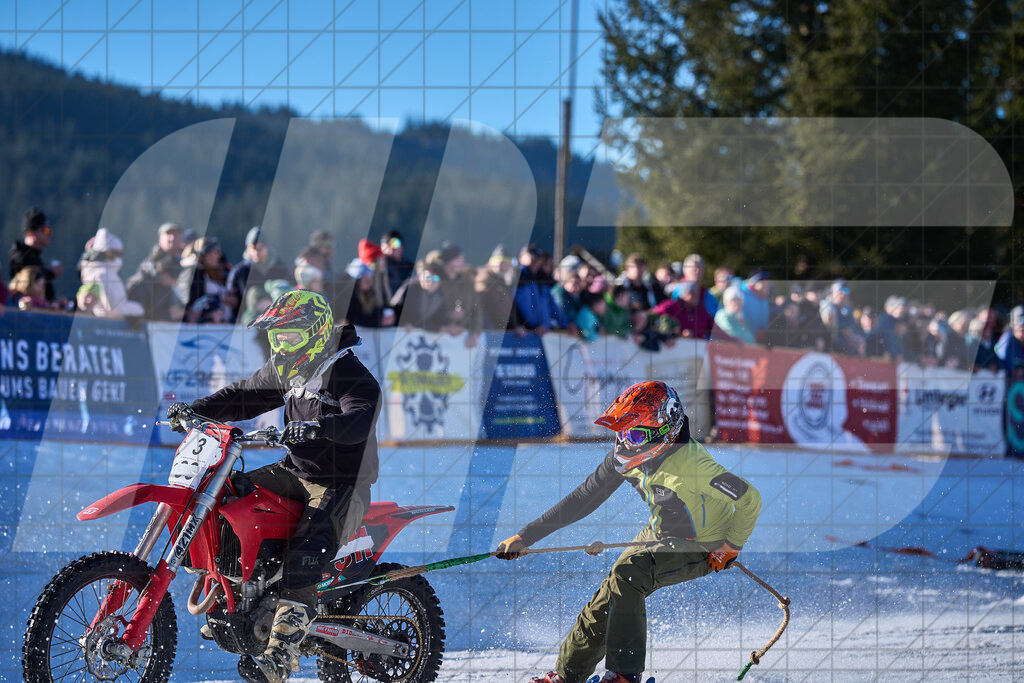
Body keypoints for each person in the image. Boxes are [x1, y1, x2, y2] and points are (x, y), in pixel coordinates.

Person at [167, 290, 381, 683]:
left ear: (315, 333)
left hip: (342, 485)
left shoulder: (348, 373)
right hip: (294, 471)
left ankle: (280, 656)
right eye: (276, 336)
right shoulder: (286, 368)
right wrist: (196, 410)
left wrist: (317, 428)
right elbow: (244, 396)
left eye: (289, 336)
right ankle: (237, 594)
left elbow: (360, 421)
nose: (281, 345)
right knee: (229, 495)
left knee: (305, 553)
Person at [496, 381, 761, 683]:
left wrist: (731, 545)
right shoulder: (626, 459)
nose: (625, 443)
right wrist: (525, 536)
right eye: (621, 432)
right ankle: (567, 676)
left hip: (704, 544)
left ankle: (625, 675)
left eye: (634, 434)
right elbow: (585, 497)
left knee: (629, 573)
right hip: (660, 533)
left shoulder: (693, 466)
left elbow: (749, 498)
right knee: (608, 596)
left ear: (665, 430)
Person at [77, 228, 146, 318]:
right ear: (108, 253)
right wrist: (136, 311)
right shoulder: (101, 274)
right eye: (117, 253)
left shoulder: (100, 271)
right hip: (109, 324)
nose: (119, 258)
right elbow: (111, 308)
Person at [227, 227, 292, 321]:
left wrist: (271, 303)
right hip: (247, 321)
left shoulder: (280, 268)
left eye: (260, 248)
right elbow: (231, 299)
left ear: (267, 248)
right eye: (253, 248)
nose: (256, 252)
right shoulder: (240, 271)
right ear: (247, 249)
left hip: (277, 317)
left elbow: (288, 290)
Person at [9, 207, 62, 303]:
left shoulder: (33, 256)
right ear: (31, 233)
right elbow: (30, 282)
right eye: (46, 230)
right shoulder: (20, 257)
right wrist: (52, 273)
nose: (50, 233)